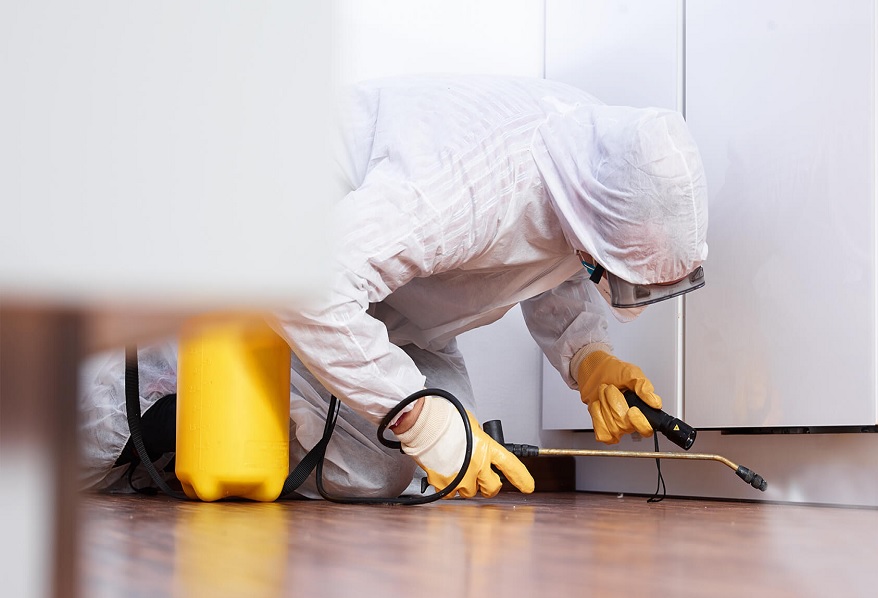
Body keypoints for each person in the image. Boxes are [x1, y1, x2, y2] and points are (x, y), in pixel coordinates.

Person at [79, 75, 708, 500]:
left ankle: (213, 439)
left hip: (380, 297)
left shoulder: (589, 158)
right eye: (608, 272)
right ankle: (176, 403)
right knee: (85, 438)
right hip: (276, 265)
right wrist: (420, 418)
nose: (601, 280)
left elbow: (553, 250)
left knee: (388, 469)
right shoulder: (468, 184)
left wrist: (589, 358)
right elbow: (314, 286)